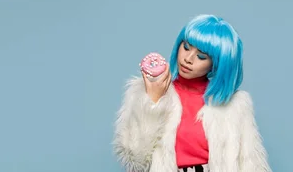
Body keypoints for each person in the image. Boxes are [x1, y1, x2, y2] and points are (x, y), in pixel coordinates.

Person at [113, 14, 271, 172]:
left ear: (216, 64)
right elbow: (134, 160)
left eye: (201, 56)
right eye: (186, 47)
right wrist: (153, 101)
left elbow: (252, 164)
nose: (188, 58)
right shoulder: (145, 94)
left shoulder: (234, 105)